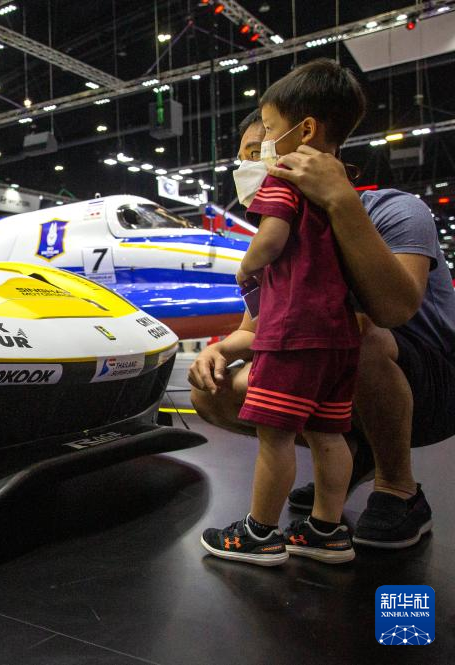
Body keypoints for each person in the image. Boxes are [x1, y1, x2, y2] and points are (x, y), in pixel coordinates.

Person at [191, 93, 455, 551]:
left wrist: (338, 202)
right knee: (212, 388)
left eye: (258, 150)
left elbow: (394, 310)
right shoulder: (285, 235)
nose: (248, 167)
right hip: (336, 368)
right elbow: (256, 328)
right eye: (243, 158)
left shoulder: (395, 210)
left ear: (304, 137)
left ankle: (398, 489)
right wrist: (217, 350)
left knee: (357, 336)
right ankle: (347, 467)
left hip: (433, 385)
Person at [200, 60, 366, 566]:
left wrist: (245, 266)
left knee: (275, 437)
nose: (266, 145)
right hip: (338, 336)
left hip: (291, 333)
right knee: (330, 435)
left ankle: (260, 532)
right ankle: (326, 531)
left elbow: (271, 239)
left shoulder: (284, 180)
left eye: (269, 130)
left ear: (305, 131)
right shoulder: (342, 192)